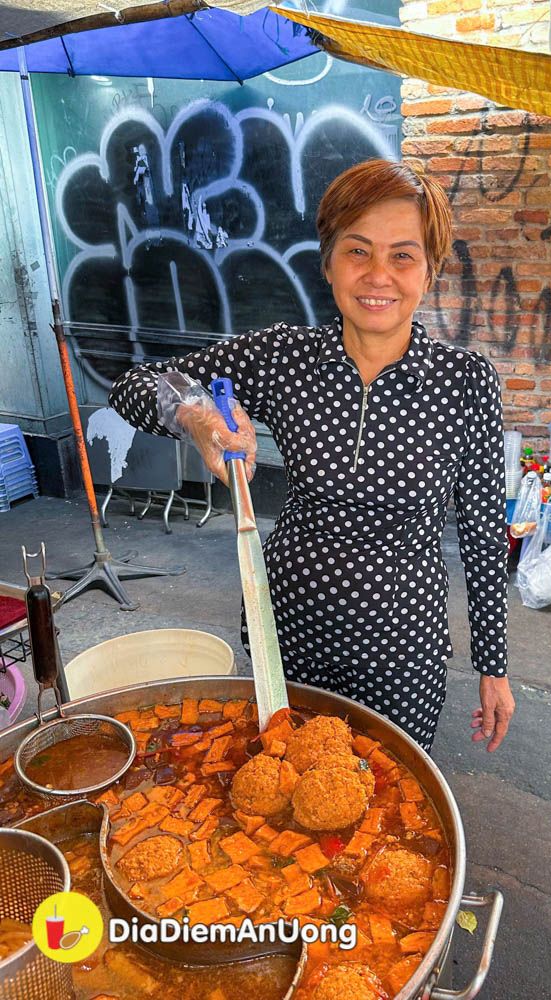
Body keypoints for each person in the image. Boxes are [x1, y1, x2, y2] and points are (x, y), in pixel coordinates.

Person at [109, 158, 514, 753]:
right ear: (328, 263)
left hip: (403, 646)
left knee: (382, 788)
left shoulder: (466, 381)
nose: (378, 275)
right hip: (288, 627)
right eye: (357, 251)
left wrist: (492, 665)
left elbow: (482, 532)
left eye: (403, 255)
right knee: (281, 773)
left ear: (430, 271)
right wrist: (195, 415)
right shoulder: (284, 358)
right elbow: (134, 384)